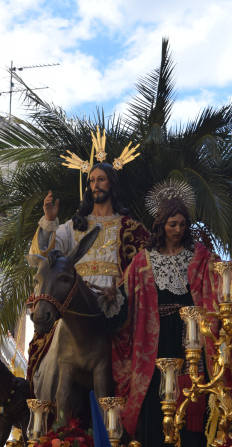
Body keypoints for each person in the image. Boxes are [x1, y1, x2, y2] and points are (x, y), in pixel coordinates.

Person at [108, 198, 232, 446]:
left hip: (193, 340)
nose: (178, 230)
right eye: (172, 224)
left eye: (182, 224)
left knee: (195, 402)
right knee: (155, 407)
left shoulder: (202, 259)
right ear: (161, 226)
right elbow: (122, 307)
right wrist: (109, 299)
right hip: (153, 347)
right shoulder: (141, 262)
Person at [27, 162, 149, 398]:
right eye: (92, 180)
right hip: (75, 303)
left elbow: (142, 268)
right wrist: (49, 221)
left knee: (129, 360)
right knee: (49, 364)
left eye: (101, 179)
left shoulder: (129, 227)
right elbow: (45, 257)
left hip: (111, 305)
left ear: (111, 183)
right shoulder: (74, 226)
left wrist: (119, 292)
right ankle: (50, 415)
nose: (95, 185)